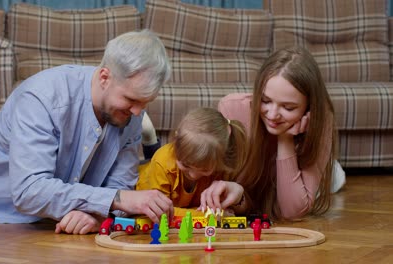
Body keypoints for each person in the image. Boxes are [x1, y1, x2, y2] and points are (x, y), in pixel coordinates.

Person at [0, 29, 174, 234]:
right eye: (131, 99)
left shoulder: (130, 113)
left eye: (145, 102)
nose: (138, 112)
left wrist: (96, 216)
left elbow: (118, 185)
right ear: (105, 77)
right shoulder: (43, 97)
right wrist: (116, 200)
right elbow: (29, 191)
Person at [218, 46, 339, 221]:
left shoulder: (320, 120)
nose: (273, 115)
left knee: (333, 180)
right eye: (265, 100)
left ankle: (334, 171)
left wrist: (285, 139)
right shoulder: (232, 108)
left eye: (288, 107)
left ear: (308, 108)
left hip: (296, 177)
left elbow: (293, 212)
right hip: (260, 191)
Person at [136, 107, 248, 217]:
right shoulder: (162, 161)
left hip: (182, 206)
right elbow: (160, 212)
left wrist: (236, 196)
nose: (193, 175)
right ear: (175, 145)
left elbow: (241, 209)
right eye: (186, 164)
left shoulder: (221, 164)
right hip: (137, 181)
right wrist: (204, 214)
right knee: (149, 159)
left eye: (204, 169)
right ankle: (149, 137)